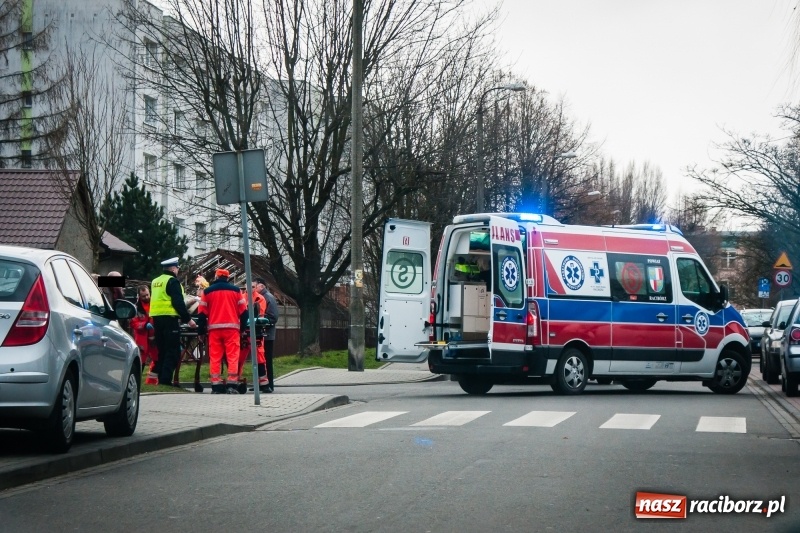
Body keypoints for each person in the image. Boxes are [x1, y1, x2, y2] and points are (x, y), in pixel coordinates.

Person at [198, 269, 248, 394]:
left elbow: (201, 314)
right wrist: (242, 329)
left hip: (214, 330)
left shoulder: (207, 291)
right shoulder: (236, 291)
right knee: (232, 356)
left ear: (216, 276)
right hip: (232, 330)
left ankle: (216, 385)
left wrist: (201, 332)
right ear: (228, 277)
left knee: (215, 357)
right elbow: (244, 313)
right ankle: (232, 383)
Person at [150, 257, 196, 387]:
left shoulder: (155, 281)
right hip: (170, 319)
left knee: (162, 350)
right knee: (173, 351)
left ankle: (159, 379)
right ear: (173, 269)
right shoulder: (173, 281)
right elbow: (178, 302)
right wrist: (189, 320)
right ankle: (166, 380)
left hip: (157, 319)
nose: (178, 271)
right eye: (177, 268)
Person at [239, 286, 270, 393]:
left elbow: (260, 314)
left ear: (255, 288)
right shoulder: (242, 297)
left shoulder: (259, 298)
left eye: (252, 287)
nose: (250, 289)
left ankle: (263, 383)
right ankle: (236, 379)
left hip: (255, 331)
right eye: (248, 286)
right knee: (239, 358)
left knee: (260, 357)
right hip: (244, 332)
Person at [254, 277, 279, 392]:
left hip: (267, 335)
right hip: (262, 334)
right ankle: (262, 384)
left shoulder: (268, 297)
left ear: (262, 286)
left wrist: (261, 324)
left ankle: (269, 385)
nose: (253, 289)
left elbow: (273, 317)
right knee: (261, 360)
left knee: (267, 360)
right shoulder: (260, 298)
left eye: (255, 286)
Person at [130, 285, 159, 385]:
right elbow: (133, 323)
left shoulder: (155, 304)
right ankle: (136, 383)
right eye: (143, 296)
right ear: (139, 296)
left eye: (147, 295)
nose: (146, 297)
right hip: (142, 338)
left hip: (154, 337)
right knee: (140, 362)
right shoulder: (135, 308)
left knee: (157, 360)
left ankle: (151, 382)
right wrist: (145, 325)